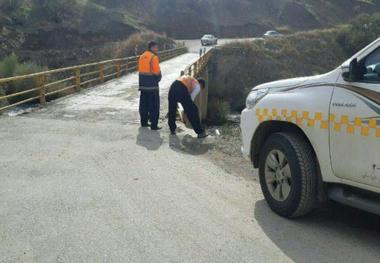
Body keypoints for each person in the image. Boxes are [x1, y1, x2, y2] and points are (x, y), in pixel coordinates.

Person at [138, 41, 162, 130]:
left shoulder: (142, 56)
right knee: (154, 106)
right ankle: (154, 125)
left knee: (143, 105)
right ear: (152, 47)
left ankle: (144, 122)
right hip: (152, 86)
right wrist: (158, 79)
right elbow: (157, 72)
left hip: (143, 85)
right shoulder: (153, 57)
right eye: (156, 47)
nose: (157, 49)